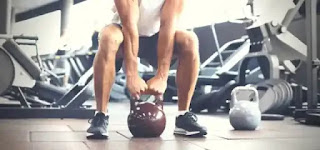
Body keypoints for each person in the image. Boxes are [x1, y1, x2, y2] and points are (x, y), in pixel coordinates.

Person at [87, 0, 207, 138]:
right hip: (123, 33)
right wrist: (132, 75)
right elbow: (129, 25)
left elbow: (168, 26)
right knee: (108, 37)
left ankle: (183, 116)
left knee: (189, 40)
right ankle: (101, 115)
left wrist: (162, 77)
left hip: (157, 37)